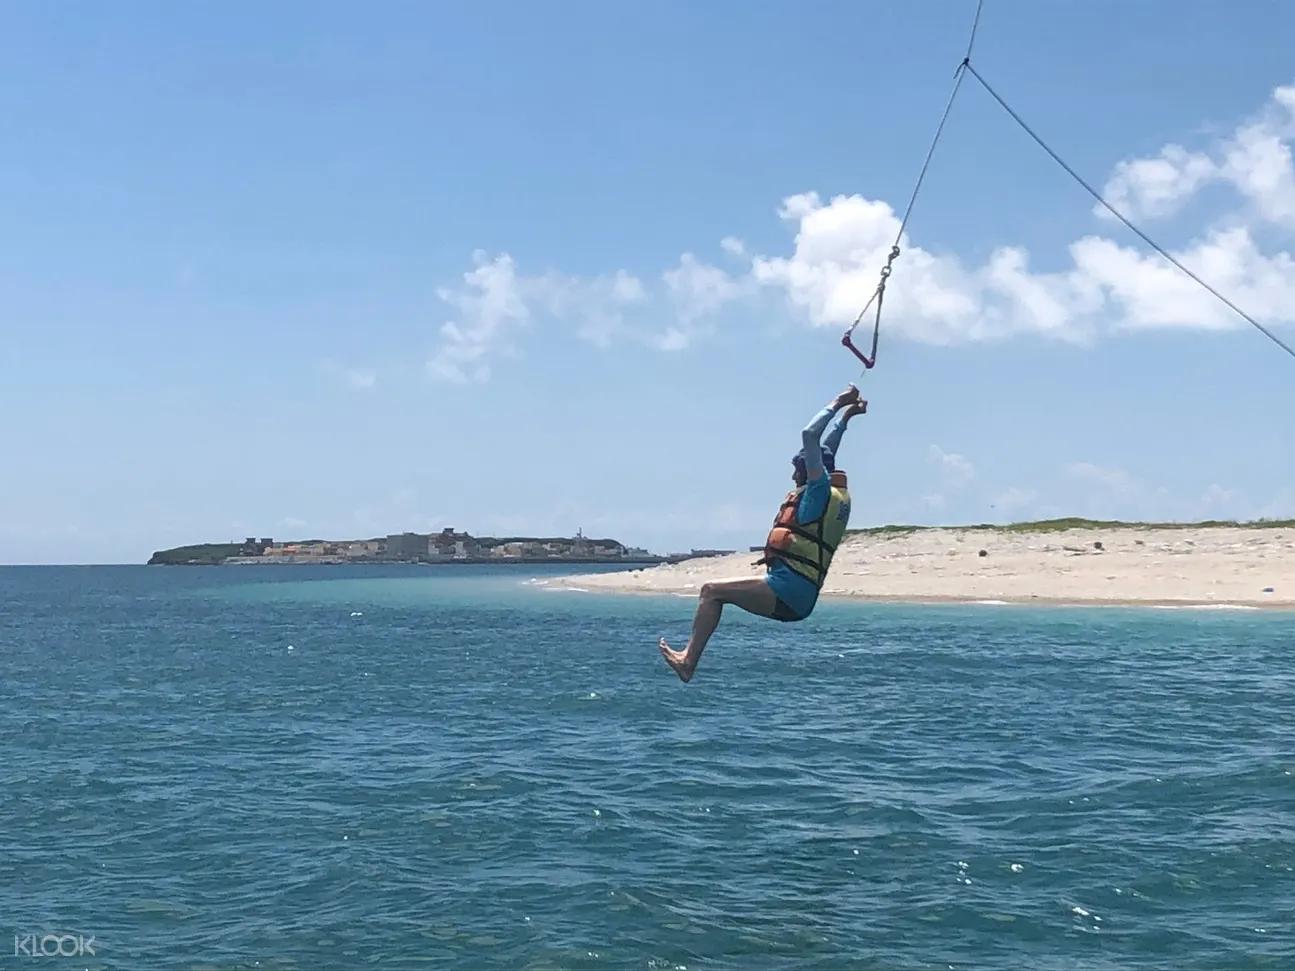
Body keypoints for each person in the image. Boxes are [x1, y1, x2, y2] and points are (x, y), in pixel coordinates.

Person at [659, 384, 868, 682]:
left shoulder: (816, 492)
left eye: (798, 469)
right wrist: (846, 419)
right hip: (800, 594)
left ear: (808, 471)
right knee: (715, 592)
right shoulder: (831, 494)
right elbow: (826, 449)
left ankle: (688, 661)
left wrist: (838, 402)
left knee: (710, 591)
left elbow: (810, 436)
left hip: (788, 593)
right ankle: (688, 659)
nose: (794, 476)